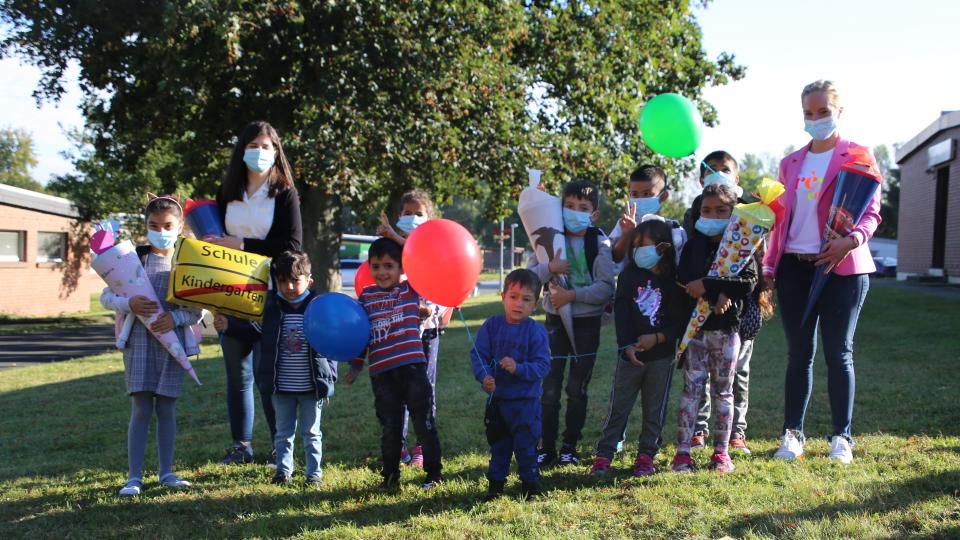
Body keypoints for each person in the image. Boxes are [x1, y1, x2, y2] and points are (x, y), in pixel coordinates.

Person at [765, 80, 881, 464]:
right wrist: (768, 262)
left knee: (839, 353)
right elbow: (780, 218)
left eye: (823, 112)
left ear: (839, 112)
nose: (815, 120)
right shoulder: (790, 162)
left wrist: (850, 242)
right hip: (794, 268)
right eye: (808, 114)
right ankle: (793, 434)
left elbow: (872, 213)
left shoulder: (859, 155)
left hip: (843, 267)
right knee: (799, 354)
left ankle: (841, 437)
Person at [209, 121, 303, 466]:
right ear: (241, 149)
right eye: (253, 145)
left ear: (276, 151)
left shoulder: (285, 193)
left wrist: (244, 245)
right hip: (230, 294)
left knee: (267, 375)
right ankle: (242, 446)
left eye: (266, 146)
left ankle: (281, 447)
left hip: (269, 296)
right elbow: (214, 239)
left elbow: (291, 246)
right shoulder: (227, 192)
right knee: (238, 374)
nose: (259, 152)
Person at [101, 195, 203, 496]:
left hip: (173, 346)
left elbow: (197, 310)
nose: (161, 230)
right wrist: (128, 303)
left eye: (168, 225)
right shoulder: (132, 259)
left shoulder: (188, 263)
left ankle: (166, 472)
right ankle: (134, 477)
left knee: (167, 407)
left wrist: (176, 319)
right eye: (153, 225)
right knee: (141, 407)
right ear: (145, 226)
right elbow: (107, 297)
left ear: (180, 225)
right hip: (139, 343)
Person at [215, 251, 337, 486]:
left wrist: (329, 376)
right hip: (280, 387)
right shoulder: (270, 310)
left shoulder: (319, 309)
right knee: (283, 434)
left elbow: (333, 343)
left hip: (311, 386)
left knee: (311, 433)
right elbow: (252, 332)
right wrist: (229, 326)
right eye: (283, 281)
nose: (289, 286)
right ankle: (283, 471)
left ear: (309, 281)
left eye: (295, 280)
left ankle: (314, 474)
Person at [528, 180, 616, 467]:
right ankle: (547, 446)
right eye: (569, 206)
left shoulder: (599, 243)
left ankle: (569, 446)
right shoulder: (550, 236)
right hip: (554, 323)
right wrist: (549, 268)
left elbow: (605, 288)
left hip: (587, 326)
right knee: (549, 387)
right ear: (559, 208)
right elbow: (530, 277)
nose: (575, 212)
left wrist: (573, 295)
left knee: (577, 389)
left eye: (583, 208)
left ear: (594, 214)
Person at [346, 238, 443, 491]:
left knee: (424, 423)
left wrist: (397, 237)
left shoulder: (411, 290)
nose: (382, 272)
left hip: (412, 370)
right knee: (390, 428)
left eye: (389, 266)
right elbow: (360, 335)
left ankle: (433, 474)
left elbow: (428, 263)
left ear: (402, 267)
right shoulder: (365, 298)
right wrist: (356, 365)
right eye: (376, 266)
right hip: (382, 375)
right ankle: (390, 478)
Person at [591, 218, 686, 477]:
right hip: (630, 357)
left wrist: (657, 339)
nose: (639, 250)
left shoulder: (673, 281)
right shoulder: (628, 276)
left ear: (663, 247)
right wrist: (627, 346)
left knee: (654, 410)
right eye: (636, 245)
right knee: (618, 407)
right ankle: (604, 455)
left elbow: (678, 322)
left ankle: (646, 455)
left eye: (645, 245)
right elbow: (621, 314)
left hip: (661, 358)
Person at [672, 184, 756, 474]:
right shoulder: (693, 244)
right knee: (691, 391)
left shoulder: (742, 246)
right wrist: (712, 294)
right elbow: (684, 279)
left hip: (727, 332)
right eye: (706, 210)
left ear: (734, 214)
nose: (712, 215)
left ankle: (721, 453)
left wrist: (713, 286)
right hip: (696, 333)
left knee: (724, 392)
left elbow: (747, 282)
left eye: (721, 210)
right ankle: (683, 452)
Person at [376, 190, 449, 468]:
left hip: (427, 330)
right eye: (407, 213)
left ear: (430, 218)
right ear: (398, 216)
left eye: (419, 213)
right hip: (399, 331)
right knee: (398, 387)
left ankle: (422, 446)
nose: (412, 217)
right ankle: (400, 445)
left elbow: (437, 276)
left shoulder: (433, 246)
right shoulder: (389, 247)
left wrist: (434, 311)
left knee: (424, 388)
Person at [470, 269, 551, 501]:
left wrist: (518, 368)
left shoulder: (536, 332)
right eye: (513, 296)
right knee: (499, 447)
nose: (518, 304)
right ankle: (495, 487)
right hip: (498, 403)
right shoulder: (491, 326)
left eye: (526, 299)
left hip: (526, 405)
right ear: (502, 296)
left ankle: (530, 485)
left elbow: (543, 365)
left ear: (535, 304)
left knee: (526, 447)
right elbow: (479, 355)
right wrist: (484, 376)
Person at [611, 165, 687, 266]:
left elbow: (681, 266)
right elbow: (614, 257)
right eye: (635, 194)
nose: (640, 199)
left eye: (647, 194)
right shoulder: (624, 224)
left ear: (663, 197)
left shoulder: (675, 230)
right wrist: (626, 234)